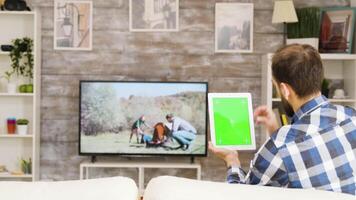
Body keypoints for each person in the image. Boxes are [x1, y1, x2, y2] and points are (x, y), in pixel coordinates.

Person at [209, 44, 356, 195]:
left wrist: (232, 160)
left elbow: (241, 195)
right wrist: (276, 130)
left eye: (276, 87)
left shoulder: (279, 145)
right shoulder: (351, 116)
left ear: (285, 90)